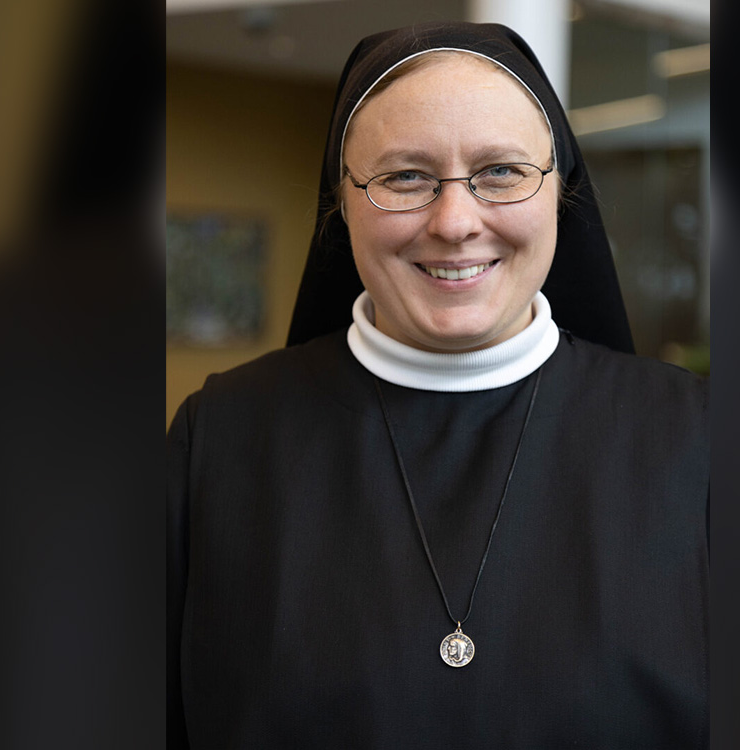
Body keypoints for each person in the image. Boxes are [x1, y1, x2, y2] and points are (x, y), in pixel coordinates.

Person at [168, 22, 708, 749]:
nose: (455, 222)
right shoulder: (219, 439)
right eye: (404, 177)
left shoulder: (698, 439)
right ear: (342, 202)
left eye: (502, 172)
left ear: (560, 192)